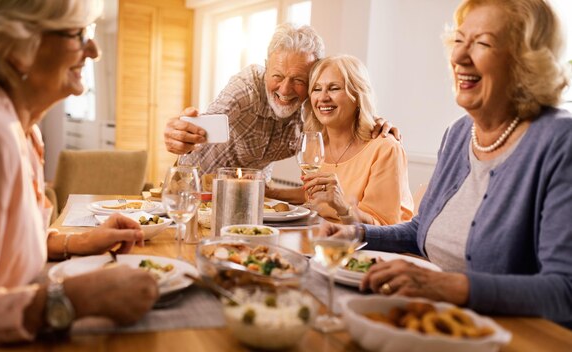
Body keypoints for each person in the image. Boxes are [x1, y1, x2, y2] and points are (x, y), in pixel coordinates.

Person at [321, 0, 572, 327]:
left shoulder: (558, 142)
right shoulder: (458, 133)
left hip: (505, 335)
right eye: (458, 41)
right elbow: (419, 230)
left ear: (528, 61)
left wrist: (450, 286)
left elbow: (564, 291)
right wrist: (355, 233)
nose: (457, 57)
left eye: (482, 43)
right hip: (432, 321)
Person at [0, 0, 159, 349]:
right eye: (77, 34)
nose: (94, 50)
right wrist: (73, 299)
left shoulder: (23, 128)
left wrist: (75, 242)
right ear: (15, 46)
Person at [163, 23, 400, 175]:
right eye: (277, 76)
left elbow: (344, 121)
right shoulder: (244, 90)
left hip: (254, 193)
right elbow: (202, 125)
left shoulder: (315, 106)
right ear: (266, 67)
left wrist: (372, 122)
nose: (285, 90)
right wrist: (180, 132)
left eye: (299, 80)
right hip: (195, 182)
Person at [267, 55, 413, 225]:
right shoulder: (315, 145)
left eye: (334, 88)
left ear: (357, 96)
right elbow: (312, 195)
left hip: (370, 248)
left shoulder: (385, 149)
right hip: (322, 238)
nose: (323, 98)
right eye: (316, 89)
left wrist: (342, 205)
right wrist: (269, 191)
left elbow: (384, 226)